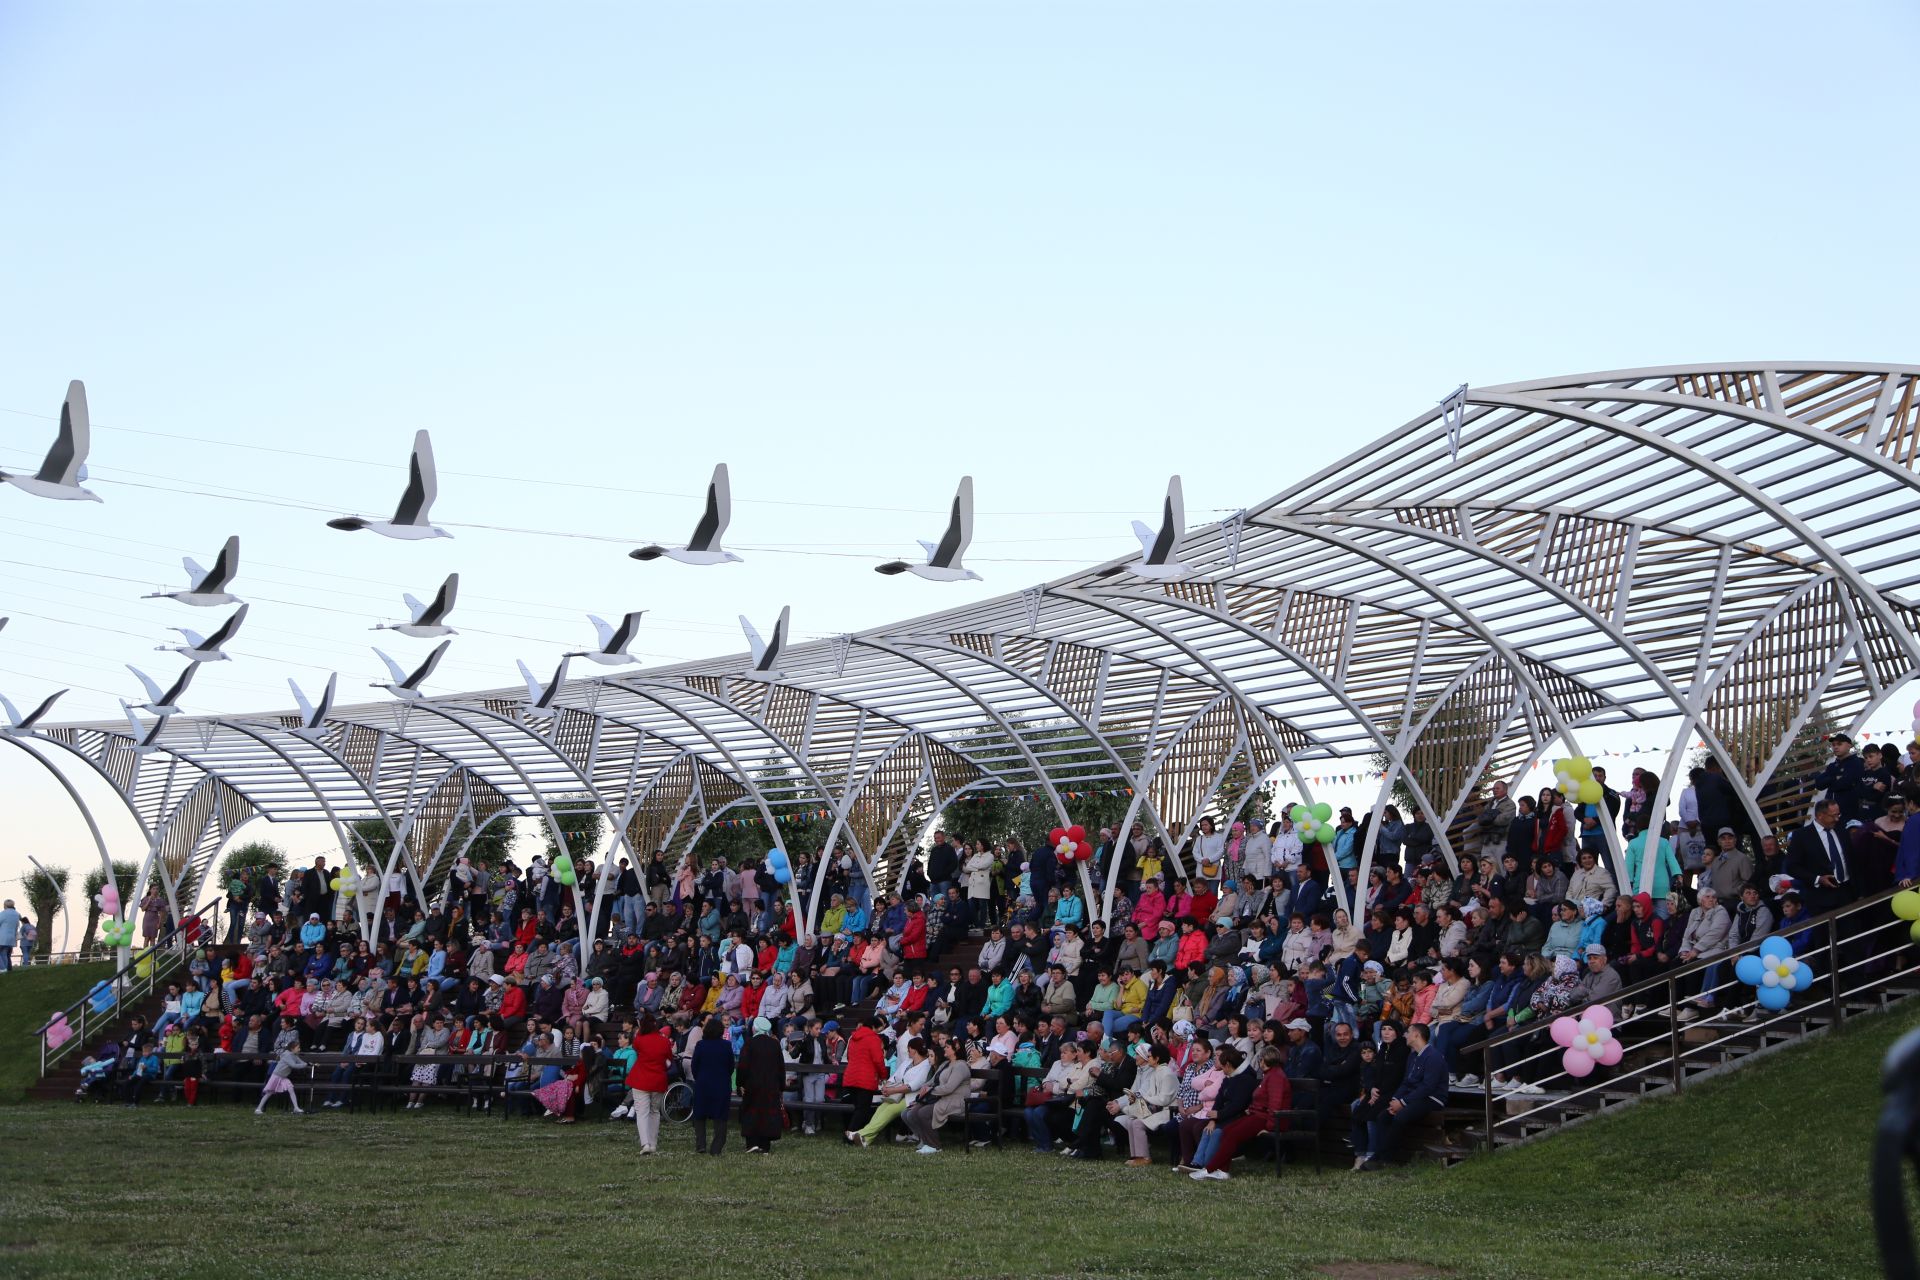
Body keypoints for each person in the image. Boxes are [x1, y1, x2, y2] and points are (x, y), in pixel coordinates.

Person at [1358, 1021, 1446, 1170]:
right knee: (1383, 1116)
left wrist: (1403, 1102)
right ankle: (1381, 1157)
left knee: (1400, 1116)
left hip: (1432, 1098)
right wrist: (1395, 1100)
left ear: (1416, 1035)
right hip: (1413, 1097)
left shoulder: (1433, 1056)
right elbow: (1406, 1082)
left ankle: (1382, 1157)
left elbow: (1428, 1087)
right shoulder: (1412, 1057)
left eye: (1408, 1032)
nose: (1405, 1035)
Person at [850, 1035, 932, 1147]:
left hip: (912, 1098)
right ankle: (866, 1139)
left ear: (913, 1049)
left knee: (890, 1110)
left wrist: (891, 1090)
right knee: (881, 1108)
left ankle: (861, 1133)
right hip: (897, 1095)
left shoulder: (926, 1065)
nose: (907, 1051)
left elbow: (912, 1086)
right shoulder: (907, 1062)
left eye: (908, 1048)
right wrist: (886, 1086)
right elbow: (894, 1077)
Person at [903, 1037, 974, 1154]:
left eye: (947, 1047)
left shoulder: (961, 1066)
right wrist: (924, 1087)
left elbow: (949, 1088)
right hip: (943, 1098)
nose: (944, 1049)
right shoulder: (946, 1064)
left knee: (923, 1113)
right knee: (915, 1111)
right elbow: (932, 1080)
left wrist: (930, 1090)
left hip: (955, 1102)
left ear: (955, 1050)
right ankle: (926, 1142)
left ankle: (934, 1145)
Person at [737, 1016, 786, 1153]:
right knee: (767, 1115)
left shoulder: (749, 1043)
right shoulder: (775, 1044)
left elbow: (743, 1066)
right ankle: (765, 1145)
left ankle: (752, 1143)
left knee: (752, 1113)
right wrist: (781, 1085)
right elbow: (780, 1067)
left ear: (755, 1028)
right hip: (771, 1085)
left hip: (752, 1085)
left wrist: (740, 1083)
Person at [626, 1012, 672, 1154]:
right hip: (658, 1080)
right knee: (654, 1111)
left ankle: (645, 1143)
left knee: (642, 1112)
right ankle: (653, 1144)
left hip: (640, 1079)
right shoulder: (664, 1041)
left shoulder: (639, 1039)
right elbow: (669, 1060)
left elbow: (636, 1047)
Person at [688, 1014, 734, 1155]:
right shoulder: (726, 1046)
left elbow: (694, 1065)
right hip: (721, 1085)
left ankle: (701, 1144)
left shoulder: (701, 1045)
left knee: (700, 1116)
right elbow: (730, 1066)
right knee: (720, 1117)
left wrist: (699, 1078)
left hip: (703, 1083)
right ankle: (716, 1147)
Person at [255, 1044, 309, 1115]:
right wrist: (305, 1065)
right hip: (276, 1076)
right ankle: (258, 1109)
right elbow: (293, 1065)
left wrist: (308, 1064)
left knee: (291, 1089)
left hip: (283, 1077)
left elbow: (301, 1062)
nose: (299, 1049)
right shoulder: (287, 1055)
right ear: (292, 1049)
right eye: (298, 1048)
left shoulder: (294, 1055)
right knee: (269, 1093)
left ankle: (296, 1108)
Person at [0, 898, 19, 972]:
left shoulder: (3, 913)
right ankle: (5, 969)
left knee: (3, 953)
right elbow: (17, 925)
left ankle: (2, 968)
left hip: (2, 936)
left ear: (5, 905)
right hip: (11, 937)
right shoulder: (16, 914)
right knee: (4, 953)